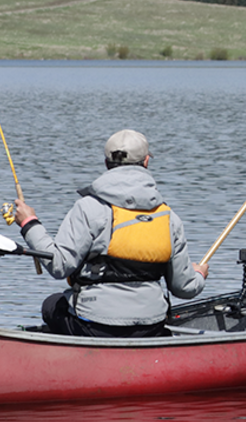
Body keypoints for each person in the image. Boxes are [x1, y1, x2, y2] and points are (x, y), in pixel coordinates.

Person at [12, 129, 208, 337]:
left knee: (51, 305)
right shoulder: (168, 217)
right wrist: (198, 274)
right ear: (147, 161)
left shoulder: (88, 208)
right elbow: (184, 288)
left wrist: (29, 224)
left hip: (94, 326)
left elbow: (59, 266)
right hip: (150, 326)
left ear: (106, 163)